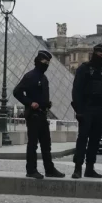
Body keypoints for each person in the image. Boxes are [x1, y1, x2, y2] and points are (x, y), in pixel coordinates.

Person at [12, 50, 65, 179]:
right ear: (38, 61)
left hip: (42, 114)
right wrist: (30, 103)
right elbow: (17, 91)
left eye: (48, 62)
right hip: (33, 115)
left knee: (46, 144)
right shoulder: (30, 76)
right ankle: (31, 170)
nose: (46, 64)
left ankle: (49, 169)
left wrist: (47, 103)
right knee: (33, 144)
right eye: (44, 61)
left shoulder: (43, 78)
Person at [71, 44, 102, 179]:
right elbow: (76, 90)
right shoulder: (84, 69)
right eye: (100, 55)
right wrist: (78, 111)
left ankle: (90, 168)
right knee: (82, 139)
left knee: (95, 141)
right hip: (86, 109)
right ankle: (77, 168)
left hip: (100, 110)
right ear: (94, 54)